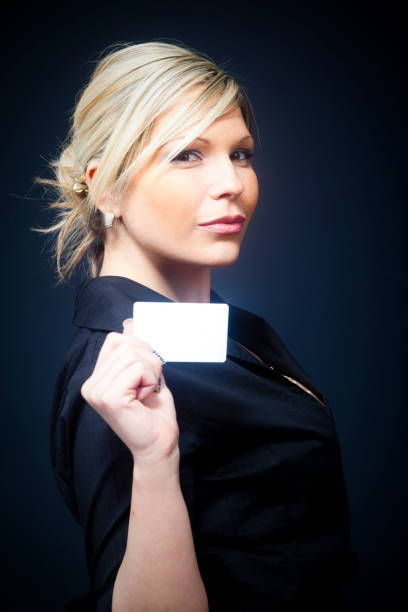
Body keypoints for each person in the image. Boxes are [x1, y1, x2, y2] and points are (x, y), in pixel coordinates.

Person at [41, 41, 359, 611]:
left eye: (240, 153)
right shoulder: (118, 377)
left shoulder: (222, 332)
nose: (232, 182)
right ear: (107, 187)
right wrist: (157, 460)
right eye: (187, 154)